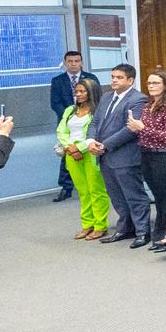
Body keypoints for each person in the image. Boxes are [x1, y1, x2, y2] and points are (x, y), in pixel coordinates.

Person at [86, 63, 151, 246]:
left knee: (134, 195)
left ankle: (142, 232)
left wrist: (104, 145)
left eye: (119, 77)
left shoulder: (138, 99)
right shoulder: (106, 97)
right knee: (116, 196)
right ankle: (124, 229)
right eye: (113, 76)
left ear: (130, 80)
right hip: (105, 156)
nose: (114, 80)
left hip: (125, 156)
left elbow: (131, 129)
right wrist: (90, 141)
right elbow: (94, 122)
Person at [124, 70, 166, 248]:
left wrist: (142, 128)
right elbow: (145, 132)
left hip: (164, 156)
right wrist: (135, 127)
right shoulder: (148, 106)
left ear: (165, 85)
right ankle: (161, 233)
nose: (151, 86)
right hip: (147, 154)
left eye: (156, 83)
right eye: (149, 83)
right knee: (159, 197)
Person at [55, 77, 110, 240]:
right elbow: (61, 131)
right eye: (76, 91)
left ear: (91, 92)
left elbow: (98, 133)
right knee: (83, 191)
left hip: (90, 153)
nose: (78, 94)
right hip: (71, 154)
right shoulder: (70, 110)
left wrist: (80, 147)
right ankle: (87, 224)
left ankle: (100, 225)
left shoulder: (98, 111)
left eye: (82, 91)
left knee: (96, 190)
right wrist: (69, 147)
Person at [49, 50, 96, 202]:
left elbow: (96, 98)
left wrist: (83, 114)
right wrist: (70, 115)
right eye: (70, 61)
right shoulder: (57, 81)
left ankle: (91, 184)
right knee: (67, 155)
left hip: (88, 120)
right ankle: (66, 187)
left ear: (81, 62)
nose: (74, 64)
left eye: (77, 61)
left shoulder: (91, 78)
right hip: (68, 122)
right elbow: (55, 103)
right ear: (65, 63)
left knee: (89, 151)